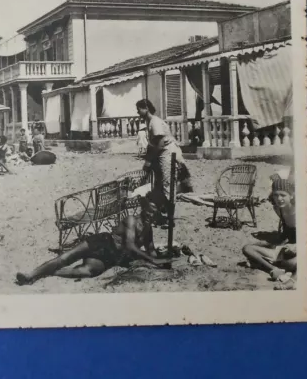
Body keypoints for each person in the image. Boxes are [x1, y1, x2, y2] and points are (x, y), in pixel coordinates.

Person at [16, 192, 171, 285]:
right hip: (103, 241)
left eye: (154, 213)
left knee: (86, 271)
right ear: (144, 207)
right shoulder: (132, 220)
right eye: (149, 211)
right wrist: (153, 260)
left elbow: (152, 252)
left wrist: (163, 260)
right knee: (65, 257)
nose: (151, 215)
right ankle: (30, 275)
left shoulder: (148, 230)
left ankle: (48, 273)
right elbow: (130, 245)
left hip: (112, 256)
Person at [136, 99, 193, 207]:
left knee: (167, 182)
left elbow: (160, 143)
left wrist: (150, 160)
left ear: (146, 108)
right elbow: (152, 144)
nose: (138, 113)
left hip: (167, 152)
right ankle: (162, 207)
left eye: (139, 110)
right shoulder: (149, 121)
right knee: (159, 182)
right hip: (161, 152)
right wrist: (148, 160)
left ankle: (169, 212)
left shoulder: (155, 121)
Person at [242, 178, 297, 281]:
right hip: (282, 250)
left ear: (292, 195)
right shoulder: (278, 209)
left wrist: (295, 246)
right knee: (247, 248)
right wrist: (271, 244)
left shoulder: (300, 211)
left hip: (298, 251)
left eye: (283, 195)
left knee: (293, 263)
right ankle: (273, 269)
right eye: (276, 195)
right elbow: (285, 234)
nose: (279, 198)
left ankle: (263, 263)